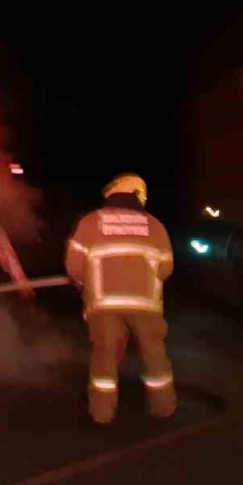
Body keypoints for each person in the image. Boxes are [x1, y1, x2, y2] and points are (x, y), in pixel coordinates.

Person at [65, 173, 176, 424]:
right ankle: (164, 408)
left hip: (104, 306)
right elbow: (166, 269)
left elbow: (74, 267)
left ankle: (102, 414)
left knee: (105, 357)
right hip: (146, 306)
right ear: (138, 196)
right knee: (155, 356)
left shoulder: (90, 222)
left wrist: (88, 284)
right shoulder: (155, 226)